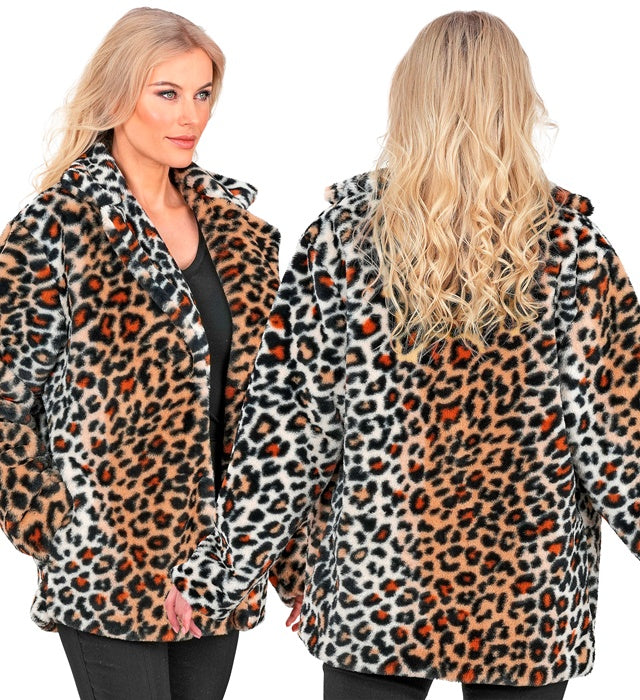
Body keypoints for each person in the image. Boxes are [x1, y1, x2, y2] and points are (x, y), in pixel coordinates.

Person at [165, 10, 640, 700]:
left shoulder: (343, 241)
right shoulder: (575, 253)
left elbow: (288, 435)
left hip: (379, 592)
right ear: (518, 103)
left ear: (408, 98)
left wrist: (220, 572)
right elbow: (620, 443)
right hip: (524, 600)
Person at [0, 7, 302, 700]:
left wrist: (287, 556)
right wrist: (54, 525)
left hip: (217, 562)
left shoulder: (237, 232)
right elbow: (4, 399)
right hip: (107, 563)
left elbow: (272, 410)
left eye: (202, 94)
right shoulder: (57, 225)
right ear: (116, 95)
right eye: (167, 93)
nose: (190, 115)